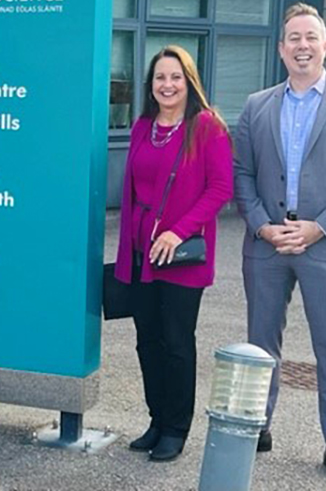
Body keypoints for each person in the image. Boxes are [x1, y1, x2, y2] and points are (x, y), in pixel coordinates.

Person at [234, 3, 326, 485]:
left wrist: (321, 226)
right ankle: (258, 426)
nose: (302, 45)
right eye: (293, 37)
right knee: (261, 343)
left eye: (310, 37)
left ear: (325, 45)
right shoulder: (257, 105)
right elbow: (243, 175)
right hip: (268, 244)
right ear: (281, 49)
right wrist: (261, 225)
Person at [114, 45, 233, 462]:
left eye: (175, 77)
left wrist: (177, 234)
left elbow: (220, 189)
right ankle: (156, 420)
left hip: (181, 256)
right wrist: (128, 250)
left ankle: (177, 429)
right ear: (151, 85)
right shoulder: (142, 126)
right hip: (140, 253)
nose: (167, 85)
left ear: (189, 81)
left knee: (176, 342)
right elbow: (131, 192)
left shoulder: (207, 128)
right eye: (160, 78)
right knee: (146, 341)